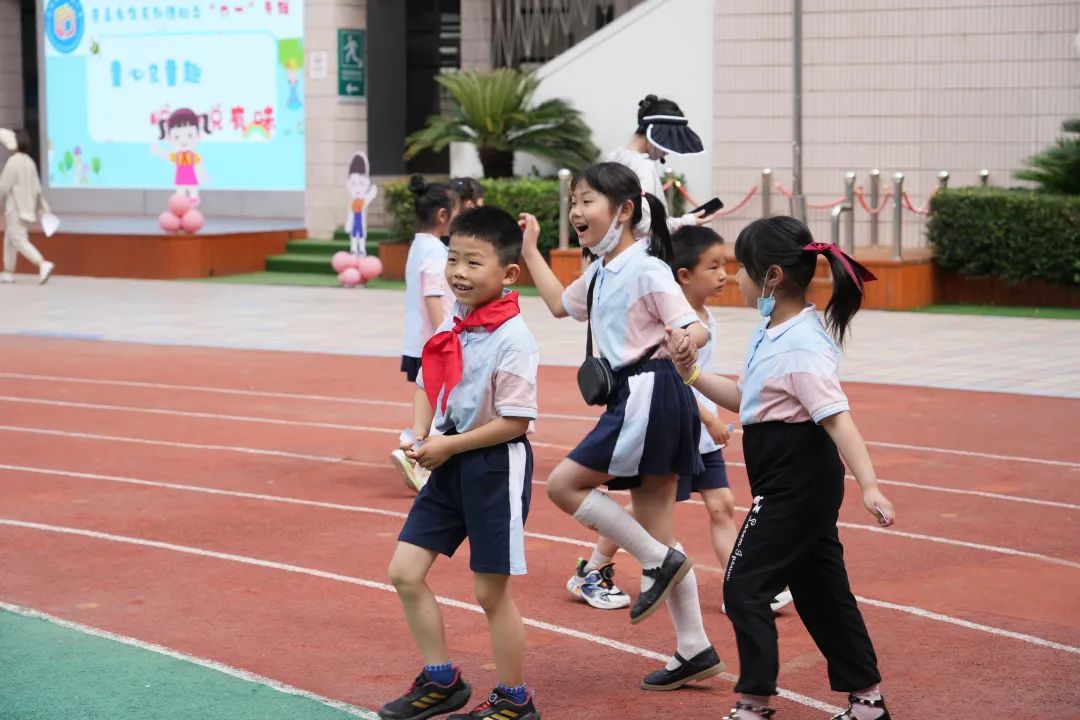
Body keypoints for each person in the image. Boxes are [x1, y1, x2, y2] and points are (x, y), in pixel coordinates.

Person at [674, 216, 895, 720]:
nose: (734, 277)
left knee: (743, 584)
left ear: (770, 276)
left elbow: (837, 418)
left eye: (741, 268)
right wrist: (688, 372)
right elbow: (745, 401)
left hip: (798, 480)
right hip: (787, 477)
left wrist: (870, 484)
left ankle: (754, 703)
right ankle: (867, 704)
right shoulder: (771, 331)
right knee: (821, 590)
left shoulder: (800, 345)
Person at [520, 162, 724, 691]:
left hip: (649, 392)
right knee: (660, 532)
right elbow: (557, 306)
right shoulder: (601, 270)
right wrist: (529, 250)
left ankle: (658, 562)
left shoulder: (649, 268)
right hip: (644, 397)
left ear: (625, 209)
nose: (577, 211)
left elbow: (694, 326)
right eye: (574, 201)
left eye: (587, 200)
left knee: (564, 484)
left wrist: (688, 341)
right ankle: (694, 647)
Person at [567, 226, 794, 618]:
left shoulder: (703, 321)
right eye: (713, 267)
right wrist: (709, 418)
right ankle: (593, 568)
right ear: (683, 276)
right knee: (651, 508)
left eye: (725, 266)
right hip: (683, 425)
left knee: (721, 505)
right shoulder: (666, 324)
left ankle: (738, 584)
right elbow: (670, 385)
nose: (724, 274)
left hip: (700, 430)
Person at [381, 206, 541, 720]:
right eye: (453, 259)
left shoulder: (513, 338)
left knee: (490, 594)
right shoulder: (457, 319)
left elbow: (516, 422)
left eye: (474, 262)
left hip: (494, 467)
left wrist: (447, 446)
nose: (458, 272)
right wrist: (423, 433)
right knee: (405, 572)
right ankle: (442, 679)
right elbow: (432, 375)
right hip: (450, 458)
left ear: (508, 274)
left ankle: (516, 701)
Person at [390, 175, 460, 493]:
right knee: (441, 404)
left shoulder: (418, 245)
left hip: (420, 340)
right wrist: (446, 338)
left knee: (436, 404)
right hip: (434, 342)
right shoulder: (434, 250)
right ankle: (415, 455)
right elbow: (433, 295)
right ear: (443, 216)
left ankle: (420, 456)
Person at [609, 94, 716, 233]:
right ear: (656, 134)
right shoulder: (643, 166)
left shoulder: (614, 159)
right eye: (668, 141)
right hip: (639, 250)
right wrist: (686, 221)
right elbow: (643, 226)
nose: (668, 150)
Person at [0, 129, 55, 285]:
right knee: (10, 239)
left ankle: (42, 263)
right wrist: (42, 208)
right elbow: (37, 188)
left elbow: (3, 186)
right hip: (26, 209)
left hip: (15, 209)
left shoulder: (13, 162)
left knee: (19, 240)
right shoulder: (29, 162)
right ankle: (8, 272)